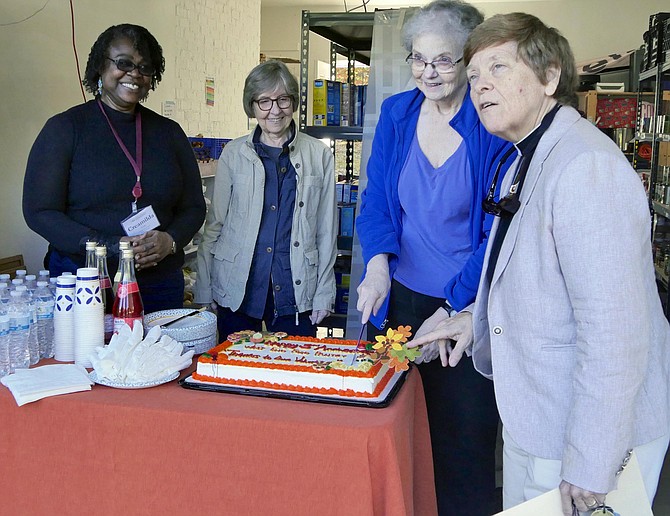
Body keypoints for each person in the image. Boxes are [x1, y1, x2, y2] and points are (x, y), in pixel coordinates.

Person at [410, 12, 670, 515]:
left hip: (582, 440)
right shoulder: (527, 155)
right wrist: (472, 319)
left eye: (498, 69)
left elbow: (617, 330)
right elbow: (537, 283)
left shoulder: (584, 167)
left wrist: (593, 460)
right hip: (541, 419)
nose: (481, 85)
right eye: (476, 73)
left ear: (549, 77)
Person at [355, 1, 513, 514]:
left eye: (443, 60)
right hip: (401, 301)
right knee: (397, 427)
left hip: (467, 307)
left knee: (462, 439)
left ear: (467, 60)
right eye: (417, 59)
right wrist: (377, 261)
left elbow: (497, 233)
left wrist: (455, 304)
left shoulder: (489, 122)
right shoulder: (399, 112)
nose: (428, 72)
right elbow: (376, 197)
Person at [23, 23, 206, 314]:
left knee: (165, 358)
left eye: (145, 67)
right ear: (100, 67)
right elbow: (39, 212)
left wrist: (170, 240)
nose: (134, 73)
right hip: (85, 281)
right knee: (86, 359)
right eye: (124, 63)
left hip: (159, 283)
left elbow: (194, 206)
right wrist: (107, 245)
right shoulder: (66, 129)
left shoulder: (168, 132)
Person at [194, 60, 336, 340]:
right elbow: (215, 225)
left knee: (292, 376)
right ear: (252, 106)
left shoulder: (319, 155)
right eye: (264, 101)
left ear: (293, 102)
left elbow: (326, 231)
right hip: (238, 287)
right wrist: (204, 287)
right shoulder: (234, 154)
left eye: (283, 99)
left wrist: (324, 292)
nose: (274, 110)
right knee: (235, 374)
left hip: (296, 288)